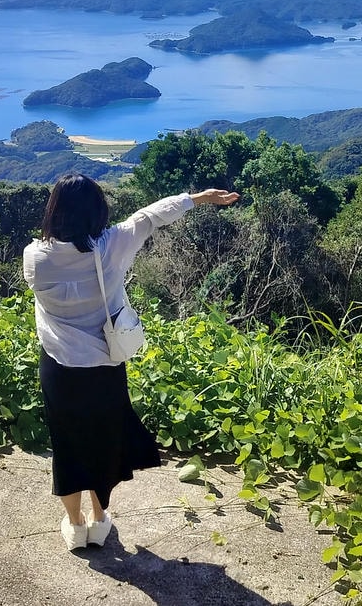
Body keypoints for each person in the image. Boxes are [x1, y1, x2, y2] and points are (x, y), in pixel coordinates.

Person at [23, 173, 239, 551]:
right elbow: (150, 216)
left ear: (54, 211)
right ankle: (100, 519)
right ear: (97, 212)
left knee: (68, 444)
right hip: (106, 363)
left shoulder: (35, 258)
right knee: (104, 441)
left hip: (59, 367)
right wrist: (199, 198)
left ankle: (74, 526)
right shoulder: (112, 246)